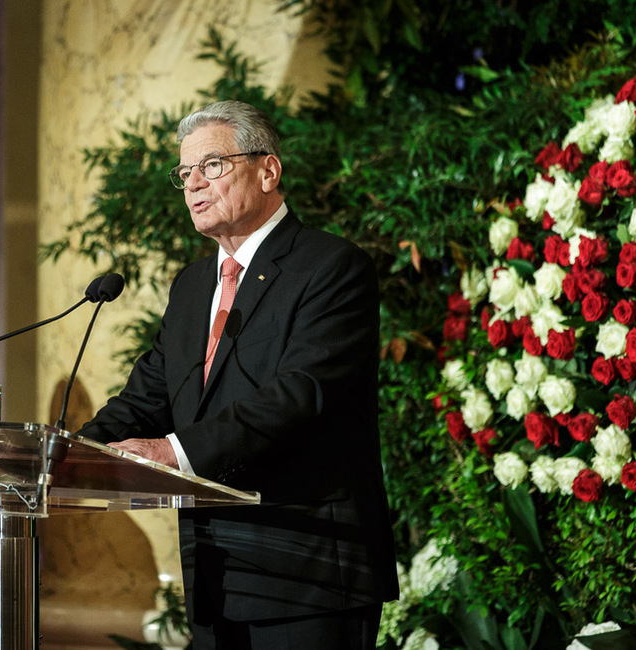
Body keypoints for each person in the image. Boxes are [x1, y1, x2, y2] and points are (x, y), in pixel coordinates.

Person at [77, 99, 399, 649]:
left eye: (212, 166)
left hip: (307, 577)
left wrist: (172, 454)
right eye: (184, 174)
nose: (194, 185)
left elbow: (299, 396)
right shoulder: (192, 286)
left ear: (268, 170)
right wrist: (64, 453)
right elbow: (148, 396)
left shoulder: (331, 267)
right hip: (214, 576)